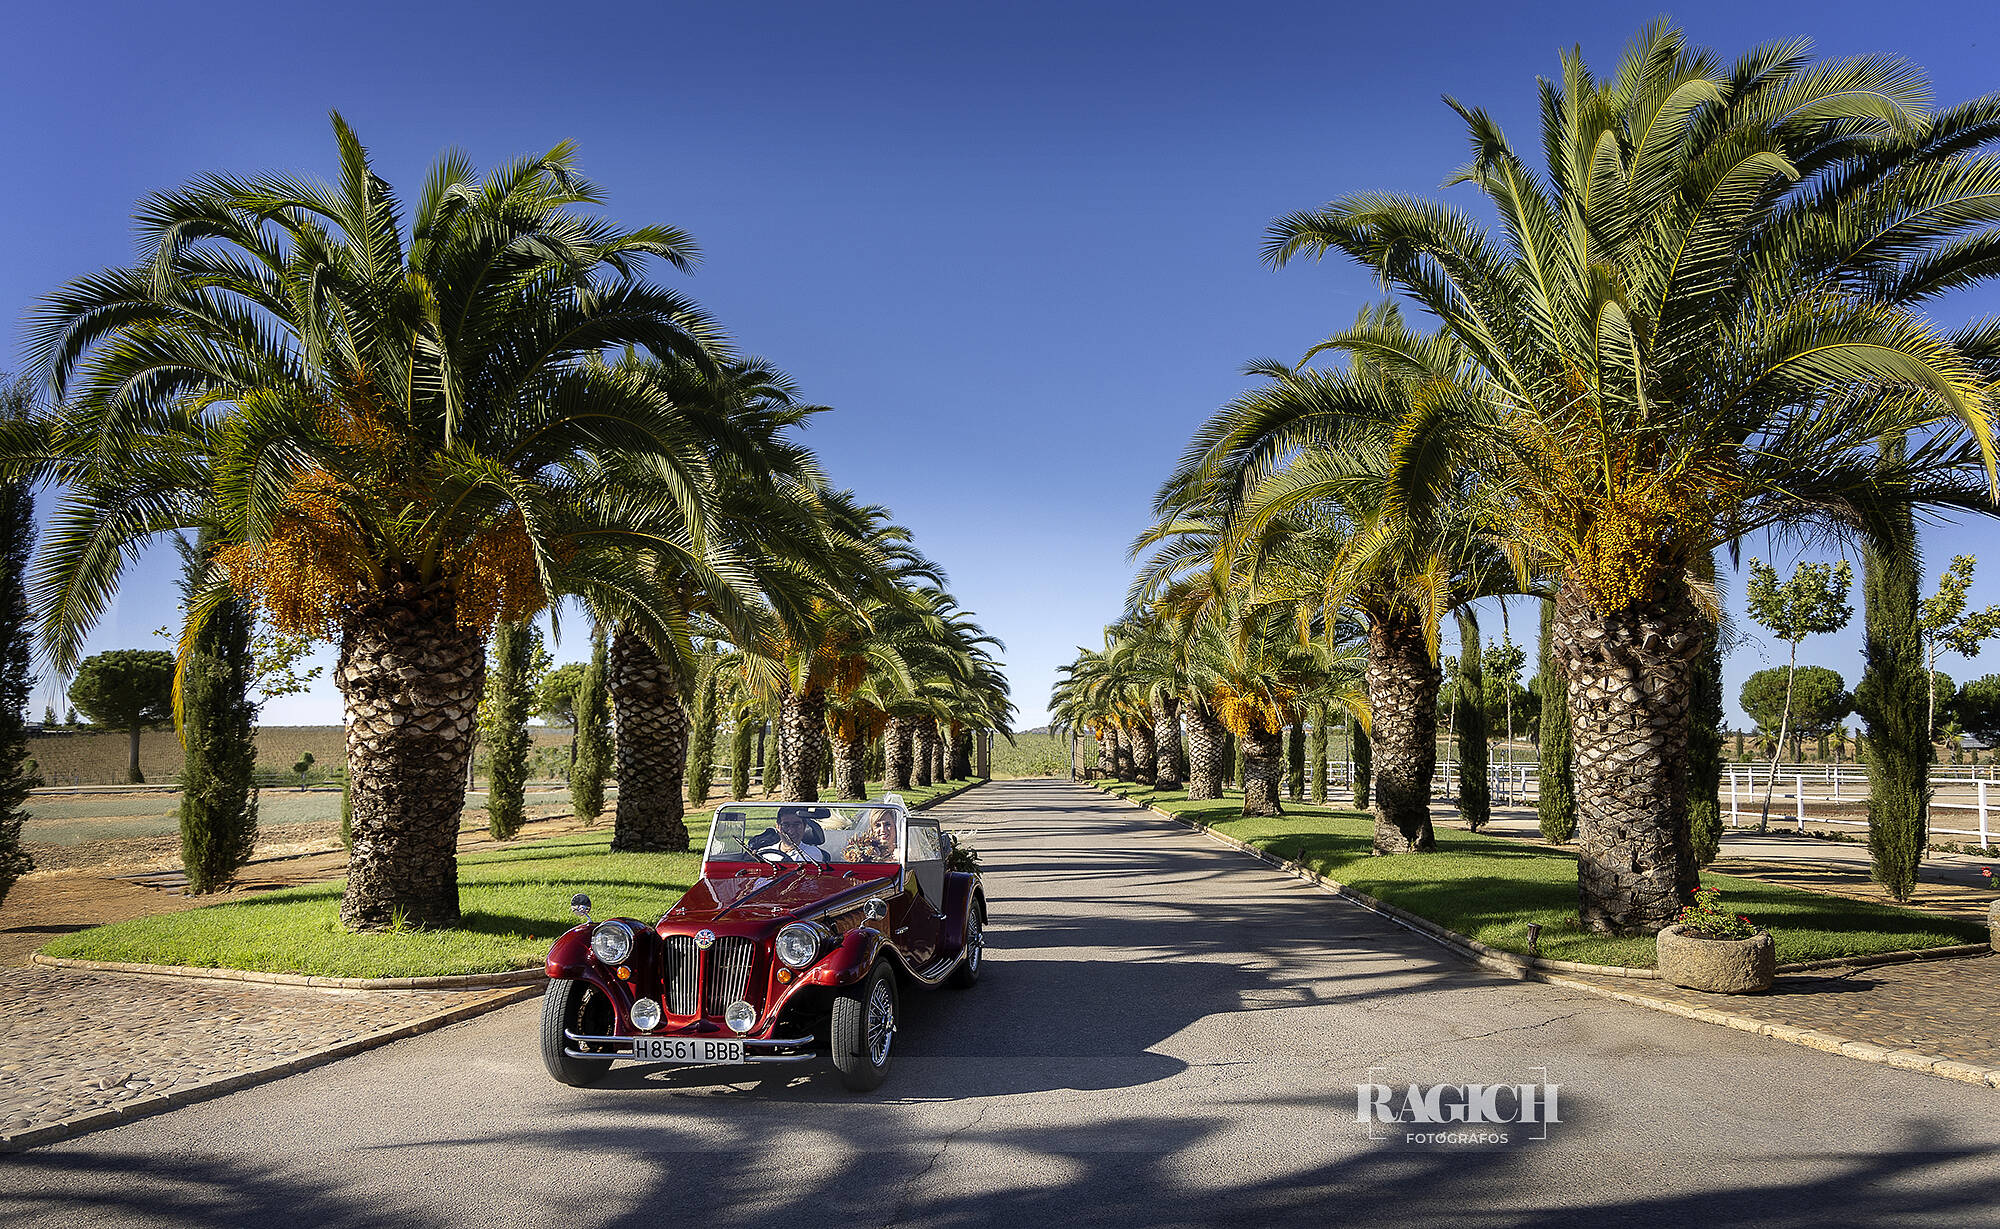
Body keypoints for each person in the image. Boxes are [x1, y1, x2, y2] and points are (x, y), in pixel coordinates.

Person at [748, 807, 829, 863]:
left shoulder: (812, 853)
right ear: (778, 827)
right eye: (786, 825)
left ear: (804, 827)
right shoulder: (765, 854)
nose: (791, 831)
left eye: (797, 825)